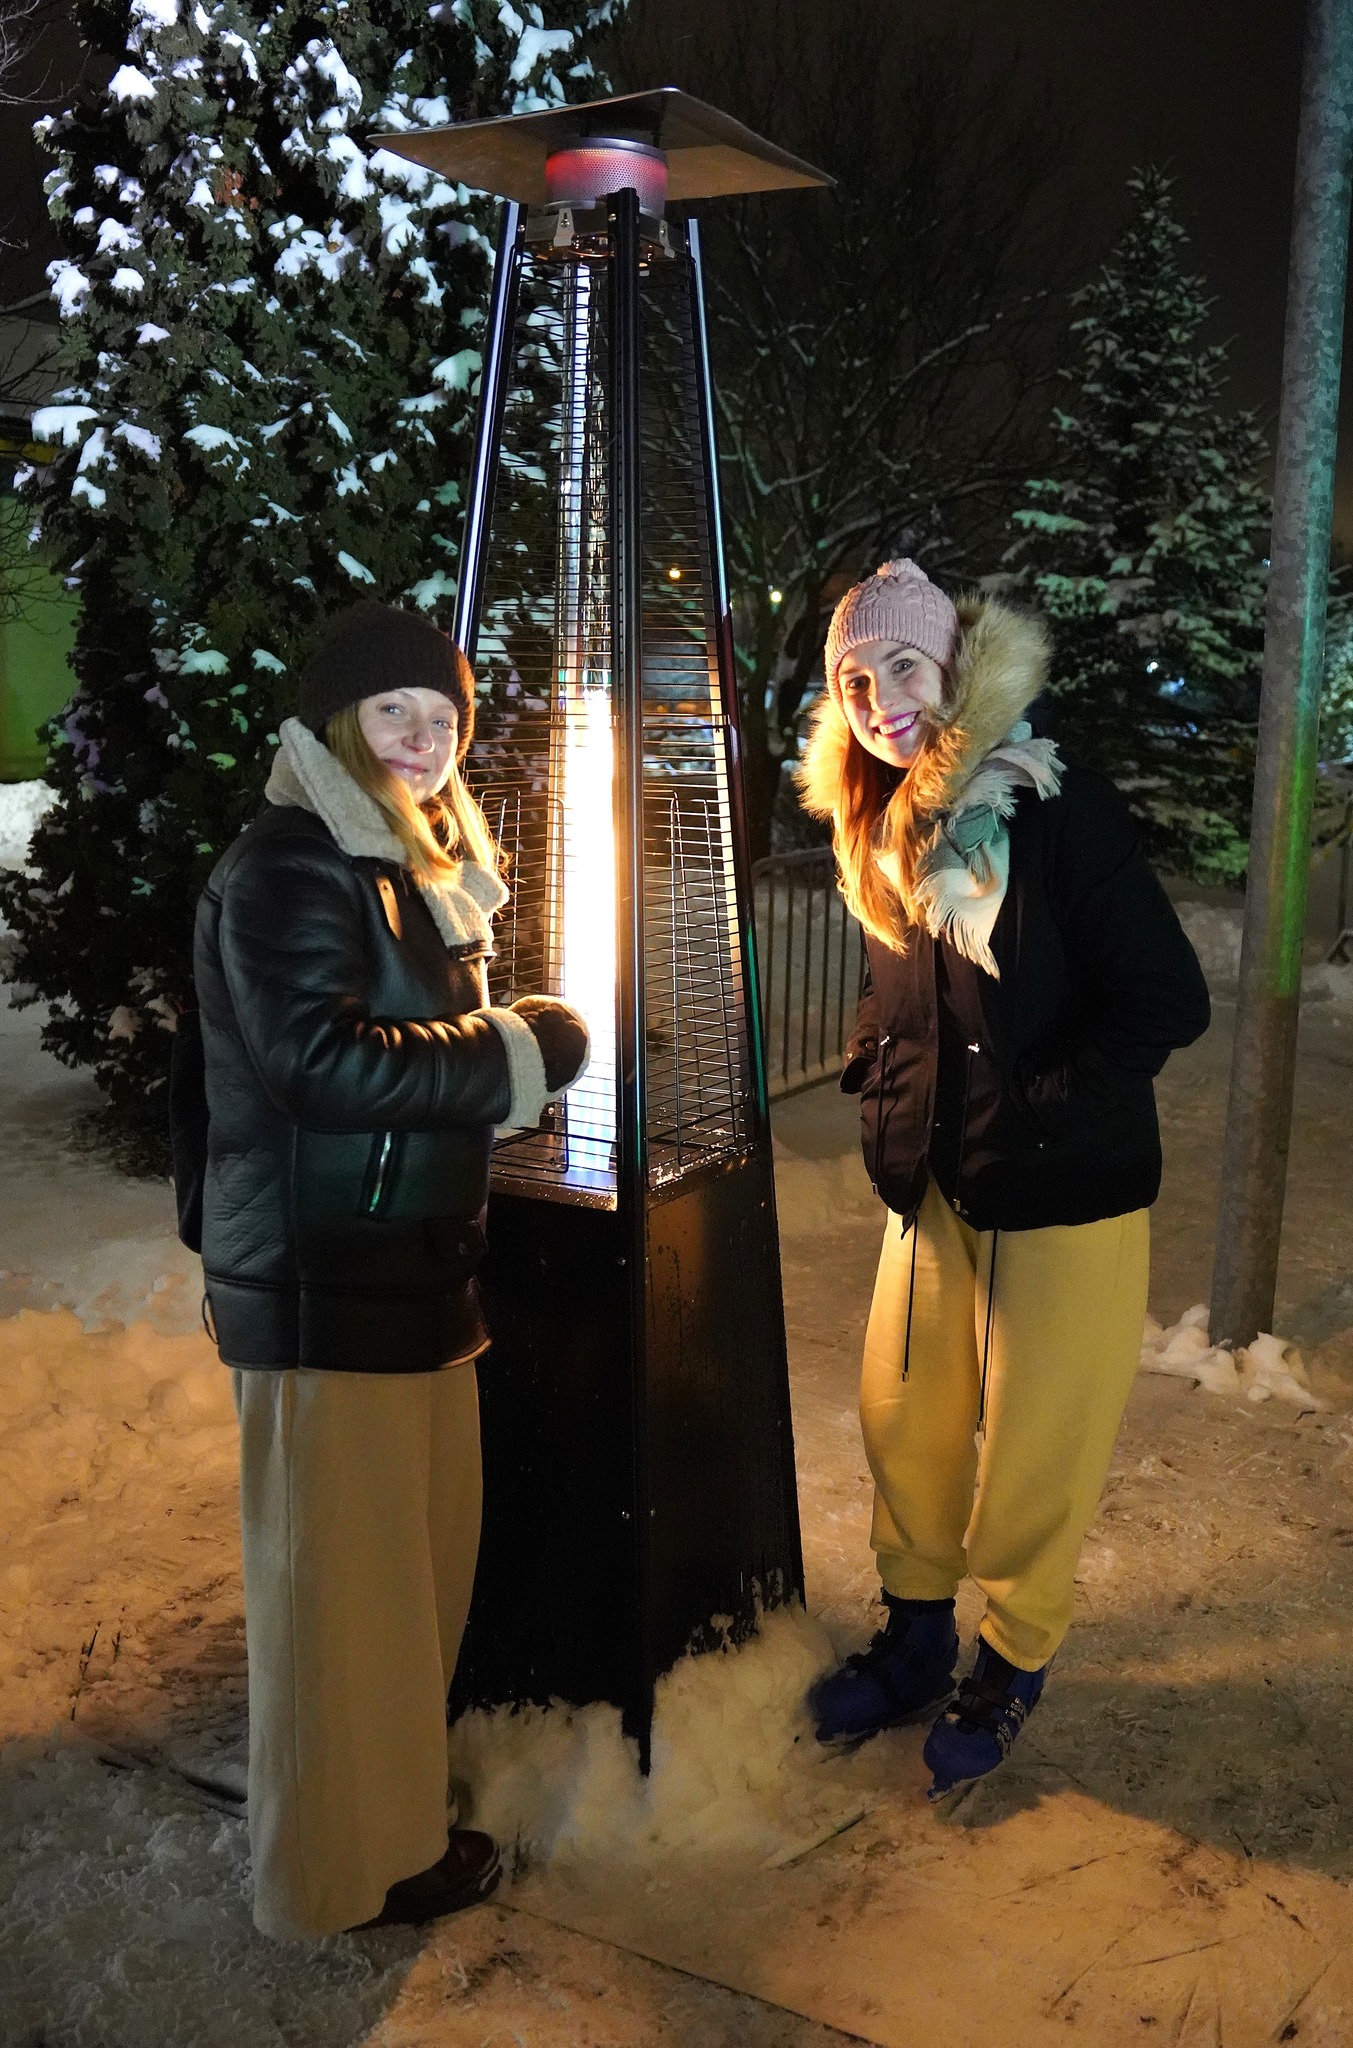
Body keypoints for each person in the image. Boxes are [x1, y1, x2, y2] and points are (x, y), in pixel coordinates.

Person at [192, 600, 589, 1936]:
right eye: (392, 712)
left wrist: (494, 1055)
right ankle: (331, 1875)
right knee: (339, 1609)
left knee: (405, 1587)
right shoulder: (292, 862)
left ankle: (398, 1834)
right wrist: (517, 1050)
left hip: (406, 1270)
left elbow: (396, 1046)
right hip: (326, 1283)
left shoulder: (397, 858)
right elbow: (319, 1064)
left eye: (441, 716)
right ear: (336, 721)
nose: (423, 739)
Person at [797, 559, 1209, 1796]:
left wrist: (1046, 1099)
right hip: (933, 1178)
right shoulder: (879, 818)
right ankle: (917, 1634)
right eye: (856, 681)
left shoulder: (1050, 805)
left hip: (1064, 1190)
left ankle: (1012, 1657)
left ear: (956, 668)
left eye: (903, 667)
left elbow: (1166, 997)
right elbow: (898, 984)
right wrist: (877, 1063)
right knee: (904, 1417)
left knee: (1038, 1444)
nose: (882, 700)